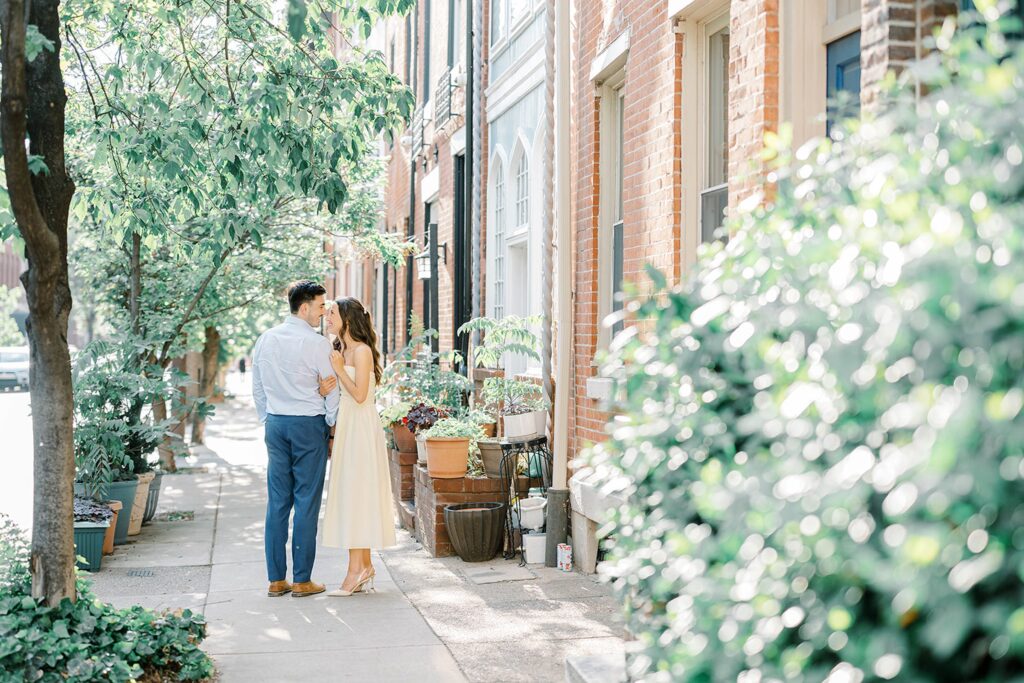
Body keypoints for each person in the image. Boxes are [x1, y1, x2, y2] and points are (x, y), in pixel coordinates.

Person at [252, 281, 339, 598]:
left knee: (277, 502)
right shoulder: (317, 344)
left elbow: (257, 387)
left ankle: (276, 579)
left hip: (276, 425)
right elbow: (333, 389)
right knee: (306, 501)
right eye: (320, 306)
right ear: (304, 307)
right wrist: (331, 425)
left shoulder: (266, 339)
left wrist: (267, 419)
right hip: (307, 426)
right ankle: (302, 579)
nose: (322, 312)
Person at [319, 296, 397, 596]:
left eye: (333, 314)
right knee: (353, 494)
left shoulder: (361, 352)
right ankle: (363, 565)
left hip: (362, 428)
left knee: (357, 495)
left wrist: (339, 370)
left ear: (347, 319)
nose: (328, 318)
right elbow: (341, 394)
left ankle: (355, 571)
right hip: (348, 427)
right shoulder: (341, 350)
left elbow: (361, 395)